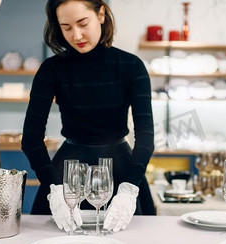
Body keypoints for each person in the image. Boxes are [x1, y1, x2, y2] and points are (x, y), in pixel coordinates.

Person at [21, 0, 155, 232]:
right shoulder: (51, 69)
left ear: (101, 14)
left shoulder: (131, 66)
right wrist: (54, 188)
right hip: (68, 172)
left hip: (121, 169)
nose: (77, 35)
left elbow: (146, 136)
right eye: (66, 27)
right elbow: (31, 138)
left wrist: (130, 188)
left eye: (83, 23)